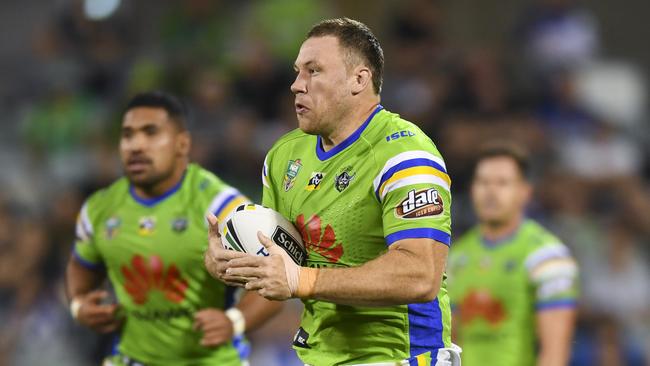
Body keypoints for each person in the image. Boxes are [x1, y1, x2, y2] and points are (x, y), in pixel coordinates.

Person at [205, 18, 461, 366]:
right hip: (318, 357)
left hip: (400, 357)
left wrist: (302, 279)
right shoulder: (284, 156)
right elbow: (282, 272)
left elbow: (420, 275)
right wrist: (233, 264)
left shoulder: (405, 154)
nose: (297, 85)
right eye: (297, 72)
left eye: (314, 71)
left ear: (359, 79)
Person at [65, 91, 282, 366]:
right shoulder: (99, 209)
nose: (136, 145)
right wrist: (78, 304)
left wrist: (233, 321)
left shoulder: (222, 207)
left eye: (151, 132)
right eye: (128, 135)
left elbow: (274, 285)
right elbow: (81, 265)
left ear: (182, 144)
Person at [447, 143, 579, 366]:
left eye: (502, 183)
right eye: (483, 182)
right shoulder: (455, 258)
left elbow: (555, 352)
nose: (491, 192)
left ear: (524, 192)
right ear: (472, 189)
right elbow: (449, 342)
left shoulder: (548, 258)